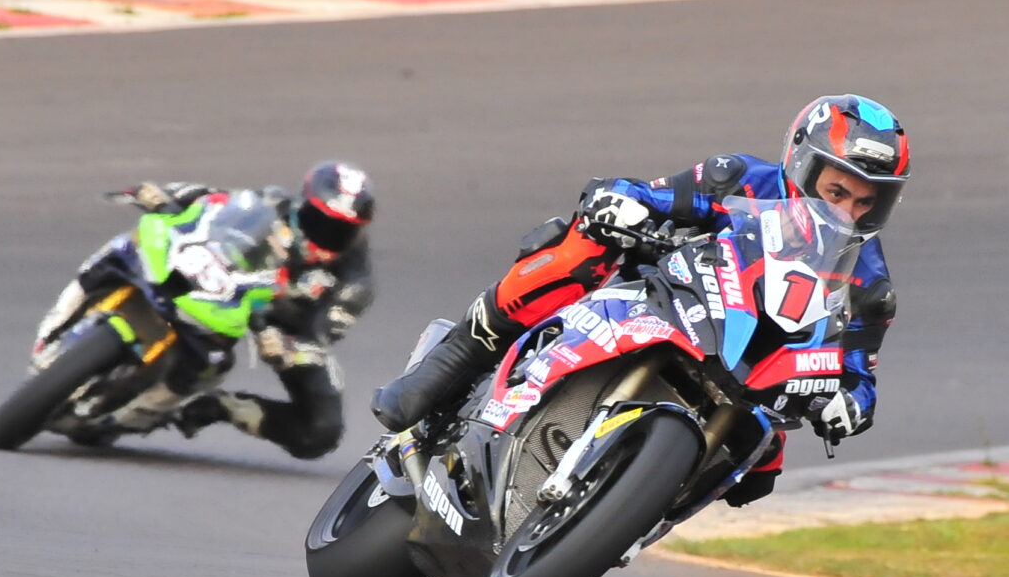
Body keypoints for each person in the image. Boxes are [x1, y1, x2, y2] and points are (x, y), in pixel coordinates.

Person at [370, 95, 905, 503]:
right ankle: (460, 355)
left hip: (755, 373)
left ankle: (630, 513)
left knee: (755, 476)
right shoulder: (739, 178)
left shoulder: (870, 280)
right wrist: (622, 202)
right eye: (837, 191)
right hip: (680, 299)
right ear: (801, 164)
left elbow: (858, 371)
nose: (848, 212)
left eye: (866, 202)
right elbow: (653, 194)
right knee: (580, 248)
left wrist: (850, 403)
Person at [112, 161, 376, 459]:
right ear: (302, 204)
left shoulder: (354, 285)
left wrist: (290, 350)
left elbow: (320, 335)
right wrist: (168, 196)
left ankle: (220, 407)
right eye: (319, 221)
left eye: (341, 231)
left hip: (283, 327)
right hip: (230, 284)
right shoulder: (271, 203)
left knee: (321, 431)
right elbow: (212, 203)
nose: (327, 235)